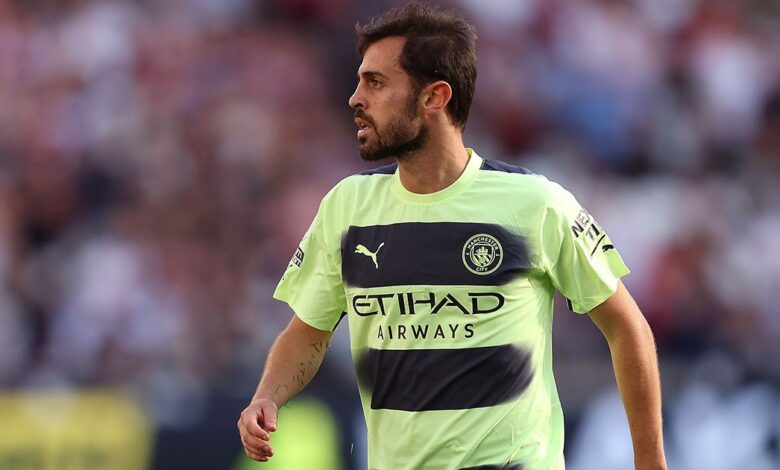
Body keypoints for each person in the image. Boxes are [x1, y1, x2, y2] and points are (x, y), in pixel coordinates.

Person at [237, 3, 667, 469]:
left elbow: (627, 327)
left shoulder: (534, 204)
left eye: (376, 82)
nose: (355, 98)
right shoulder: (347, 207)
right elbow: (307, 332)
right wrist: (268, 397)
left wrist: (649, 461)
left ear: (434, 97)